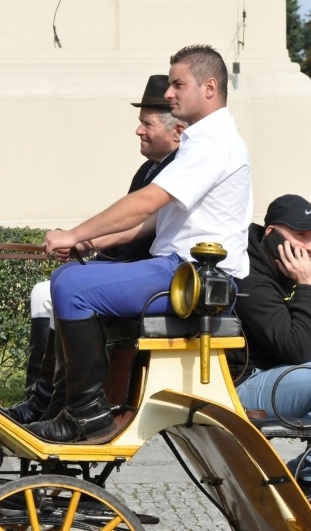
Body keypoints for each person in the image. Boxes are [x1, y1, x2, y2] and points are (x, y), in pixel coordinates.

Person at [26, 44, 253, 442]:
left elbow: (146, 202)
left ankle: (85, 414)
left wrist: (75, 233)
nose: (169, 93)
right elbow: (149, 224)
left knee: (70, 287)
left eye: (177, 84)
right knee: (71, 277)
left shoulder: (214, 143)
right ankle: (60, 406)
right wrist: (88, 243)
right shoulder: (202, 142)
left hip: (197, 282)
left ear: (210, 87)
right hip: (183, 272)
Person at [1, 74, 185, 425]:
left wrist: (78, 239)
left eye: (146, 123)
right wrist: (82, 244)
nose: (138, 131)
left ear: (176, 131)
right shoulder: (150, 168)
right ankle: (45, 401)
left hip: (150, 273)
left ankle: (72, 408)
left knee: (58, 288)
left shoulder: (179, 169)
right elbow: (131, 227)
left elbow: (138, 223)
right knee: (46, 292)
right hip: (130, 267)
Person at [232, 194, 311, 514]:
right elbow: (298, 350)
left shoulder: (270, 272)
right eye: (301, 236)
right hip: (239, 389)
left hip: (267, 379)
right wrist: (306, 285)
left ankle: (294, 473)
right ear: (271, 234)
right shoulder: (250, 279)